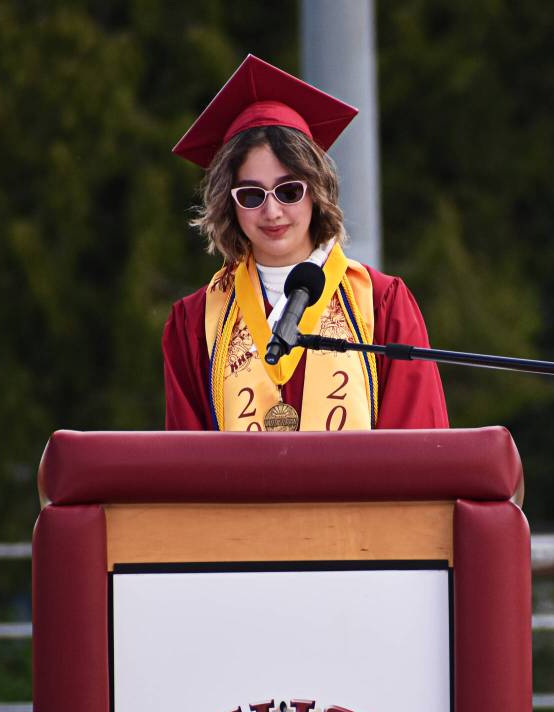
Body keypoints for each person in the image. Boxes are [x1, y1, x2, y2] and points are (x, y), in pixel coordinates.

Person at [164, 55, 448, 432]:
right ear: (228, 204)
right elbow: (185, 461)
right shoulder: (197, 321)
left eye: (289, 191)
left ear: (316, 191)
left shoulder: (380, 304)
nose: (272, 212)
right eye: (251, 195)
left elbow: (417, 448)